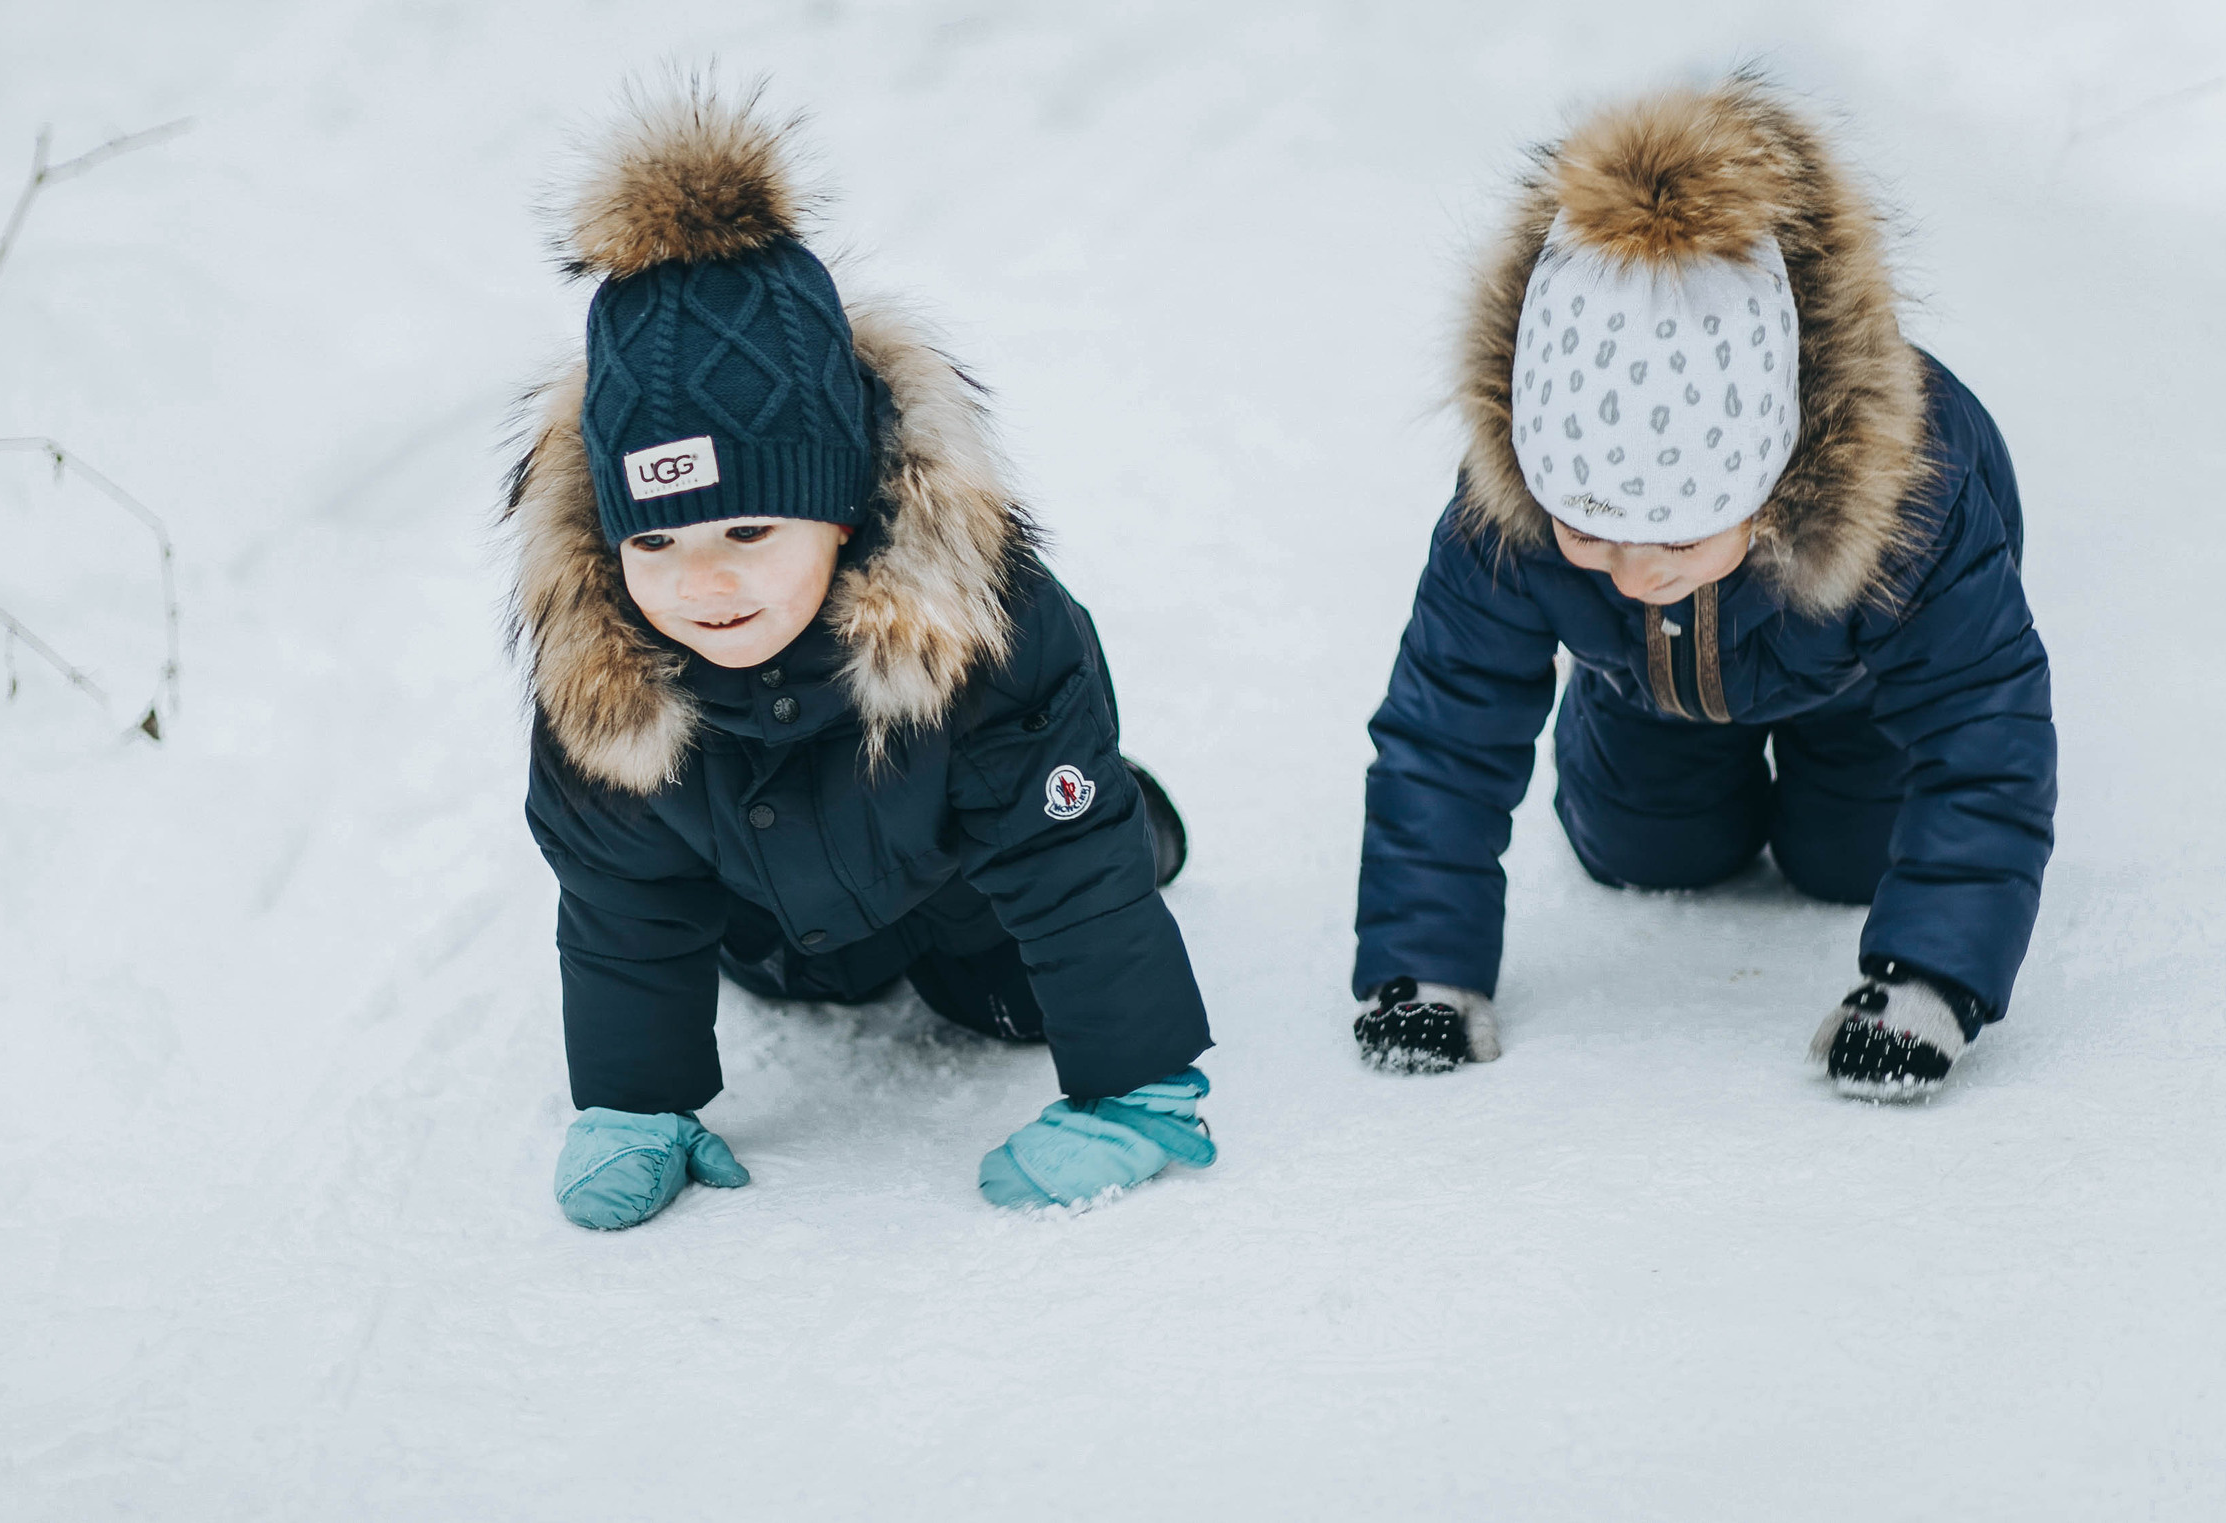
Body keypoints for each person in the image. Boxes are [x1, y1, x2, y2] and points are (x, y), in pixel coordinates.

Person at [511, 81, 1214, 1229]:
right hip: (778, 904)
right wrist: (635, 1103)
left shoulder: (988, 637)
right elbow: (622, 899)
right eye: (657, 540)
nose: (704, 582)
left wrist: (1133, 1092)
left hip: (962, 876)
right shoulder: (606, 678)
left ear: (841, 515)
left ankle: (1145, 812)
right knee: (783, 979)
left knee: (1018, 974)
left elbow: (1066, 875)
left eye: (749, 530)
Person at [1351, 75, 2055, 1098]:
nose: (1636, 573)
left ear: (1772, 487)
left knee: (1846, 864)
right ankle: (1654, 739)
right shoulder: (1511, 499)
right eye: (1591, 533)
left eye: (1677, 539)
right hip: (1646, 684)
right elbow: (1445, 722)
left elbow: (1985, 734)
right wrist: (1424, 973)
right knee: (1645, 853)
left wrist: (1929, 984)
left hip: (1858, 685)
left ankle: (1827, 781)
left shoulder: (1912, 495)